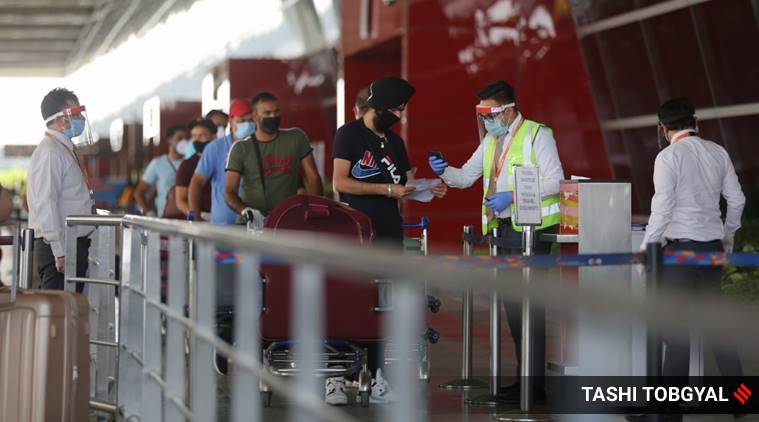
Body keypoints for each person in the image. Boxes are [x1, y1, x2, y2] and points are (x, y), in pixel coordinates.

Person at [428, 80, 564, 400]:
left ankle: (534, 387)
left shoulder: (536, 135)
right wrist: (444, 169)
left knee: (530, 310)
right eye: (483, 115)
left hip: (532, 232)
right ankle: (523, 384)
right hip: (503, 233)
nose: (486, 121)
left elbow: (556, 180)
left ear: (508, 110)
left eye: (490, 114)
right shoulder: (492, 139)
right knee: (514, 311)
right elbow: (464, 177)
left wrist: (512, 197)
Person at [331, 76, 446, 405]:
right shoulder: (349, 134)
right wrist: (386, 190)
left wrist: (429, 188)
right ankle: (339, 375)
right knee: (347, 300)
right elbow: (342, 182)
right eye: (396, 109)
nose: (400, 115)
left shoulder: (395, 143)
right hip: (355, 232)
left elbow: (407, 182)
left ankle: (379, 374)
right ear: (378, 107)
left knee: (383, 306)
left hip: (389, 232)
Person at [640, 98, 745, 395]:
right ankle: (742, 401)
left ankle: (669, 408)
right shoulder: (718, 152)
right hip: (712, 250)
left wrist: (647, 250)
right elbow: (737, 201)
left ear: (663, 128)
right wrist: (726, 239)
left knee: (676, 334)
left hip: (679, 254)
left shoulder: (668, 157)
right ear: (695, 122)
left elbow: (662, 208)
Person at [27, 87, 94, 291]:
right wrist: (60, 251)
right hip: (59, 248)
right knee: (56, 314)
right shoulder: (50, 152)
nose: (81, 118)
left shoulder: (62, 149)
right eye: (76, 113)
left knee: (67, 312)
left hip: (71, 244)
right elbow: (46, 203)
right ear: (61, 118)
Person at [224, 92, 323, 222]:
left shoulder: (296, 138)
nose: (273, 116)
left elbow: (313, 177)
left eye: (276, 112)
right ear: (254, 116)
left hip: (286, 221)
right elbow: (229, 192)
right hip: (251, 224)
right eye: (267, 113)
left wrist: (315, 211)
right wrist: (246, 211)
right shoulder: (240, 148)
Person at [189, 99, 255, 224]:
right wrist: (195, 221)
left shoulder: (260, 147)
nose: (247, 124)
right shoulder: (215, 148)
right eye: (242, 120)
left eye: (250, 120)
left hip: (255, 225)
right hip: (223, 230)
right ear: (231, 121)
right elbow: (196, 184)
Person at [133, 124, 187, 217]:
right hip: (166, 217)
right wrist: (149, 211)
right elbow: (139, 192)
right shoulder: (157, 163)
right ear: (169, 140)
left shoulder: (190, 162)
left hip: (187, 215)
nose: (183, 142)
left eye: (185, 139)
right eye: (179, 138)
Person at [175, 119, 216, 218]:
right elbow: (180, 200)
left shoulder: (223, 159)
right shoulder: (187, 165)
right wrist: (197, 216)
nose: (197, 139)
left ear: (213, 136)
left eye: (202, 135)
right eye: (194, 136)